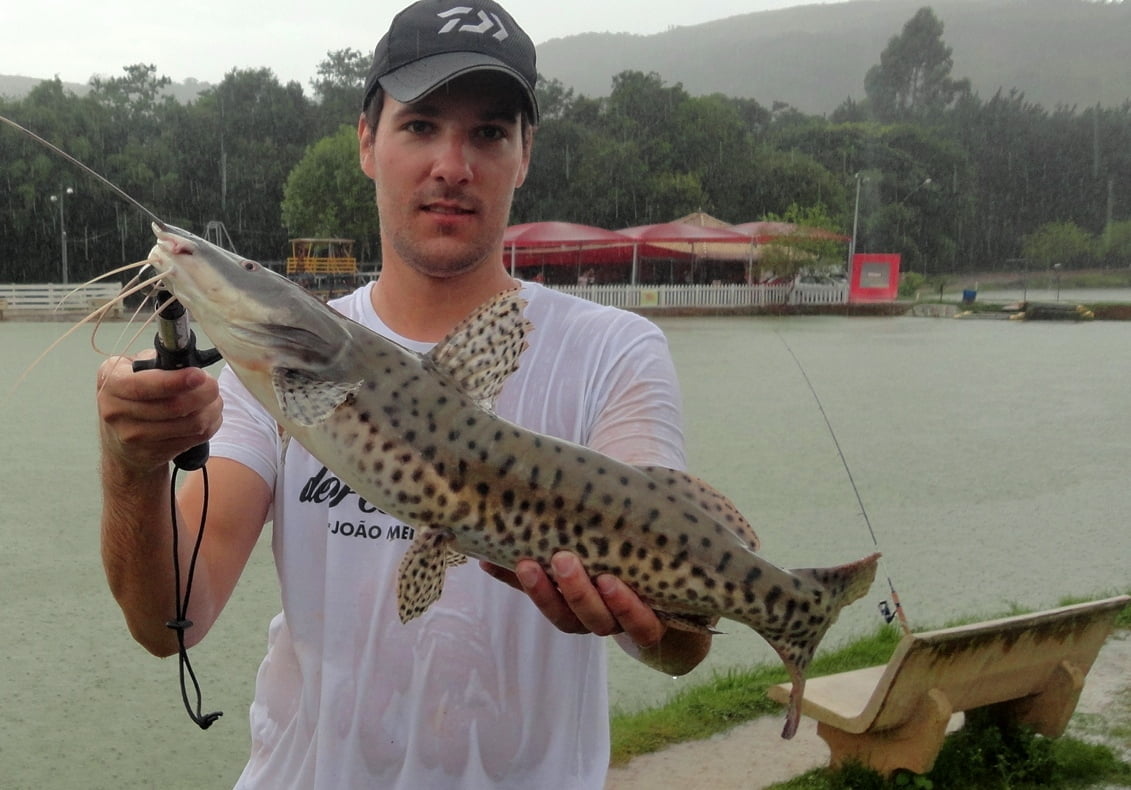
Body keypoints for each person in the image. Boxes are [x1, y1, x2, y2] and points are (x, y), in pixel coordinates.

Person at [96, 1, 712, 787]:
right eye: (420, 125)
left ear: (524, 154)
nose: (452, 165)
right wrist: (131, 467)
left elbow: (682, 643)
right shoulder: (274, 369)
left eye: (488, 133)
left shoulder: (614, 351)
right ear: (366, 141)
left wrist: (657, 627)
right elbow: (170, 623)